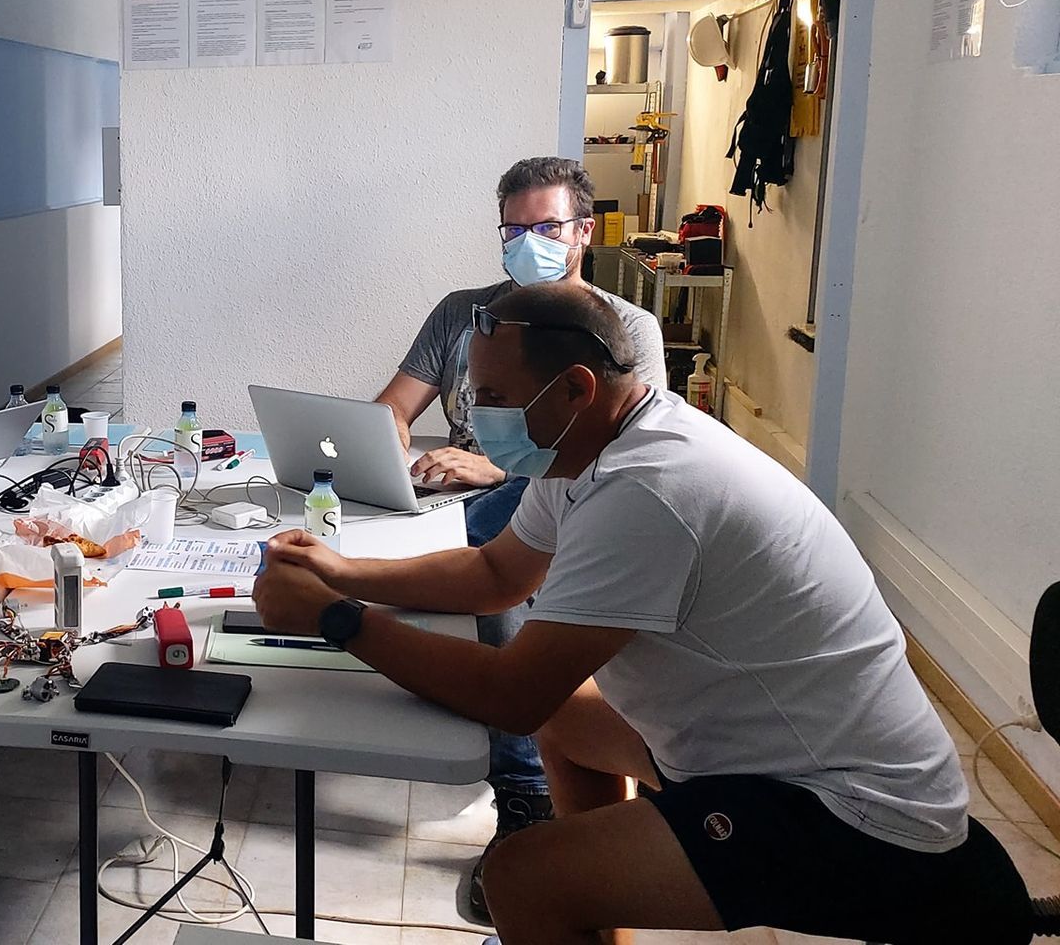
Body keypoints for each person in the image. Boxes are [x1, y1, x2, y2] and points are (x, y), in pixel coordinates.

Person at [255, 284, 1031, 945]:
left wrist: (339, 620)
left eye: (492, 398)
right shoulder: (586, 448)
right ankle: (594, 918)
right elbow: (496, 574)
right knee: (566, 717)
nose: (479, 416)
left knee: (522, 876)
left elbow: (510, 695)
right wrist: (341, 571)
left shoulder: (650, 489)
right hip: (753, 751)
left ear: (576, 388)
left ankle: (566, 905)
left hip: (850, 810)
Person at [369, 156, 666, 920]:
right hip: (457, 494)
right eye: (513, 230)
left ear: (584, 232)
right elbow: (391, 409)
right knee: (363, 539)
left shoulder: (623, 331)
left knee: (501, 594)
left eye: (547, 227)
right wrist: (393, 450)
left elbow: (618, 458)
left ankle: (524, 797)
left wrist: (497, 465)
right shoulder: (465, 314)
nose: (528, 243)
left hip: (553, 494)